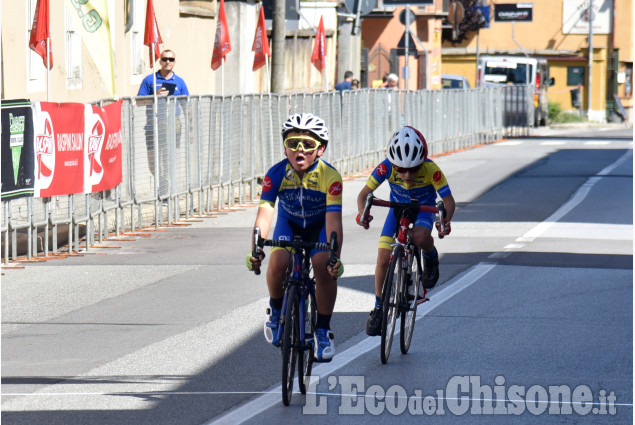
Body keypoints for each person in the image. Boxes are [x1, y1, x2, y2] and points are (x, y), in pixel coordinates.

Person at [247, 113, 344, 362]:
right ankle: (276, 311)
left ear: (320, 149)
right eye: (292, 143)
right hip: (288, 224)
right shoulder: (275, 174)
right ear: (284, 147)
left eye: (308, 145)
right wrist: (256, 250)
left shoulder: (330, 177)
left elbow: (333, 222)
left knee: (323, 267)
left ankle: (322, 330)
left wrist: (335, 257)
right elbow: (265, 215)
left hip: (318, 227)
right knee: (278, 264)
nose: (299, 150)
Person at [355, 125, 455, 336]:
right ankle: (379, 307)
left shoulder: (432, 170)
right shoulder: (385, 168)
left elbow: (448, 200)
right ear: (393, 164)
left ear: (422, 163)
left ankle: (431, 256)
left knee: (419, 236)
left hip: (423, 210)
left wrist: (445, 221)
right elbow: (363, 194)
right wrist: (361, 213)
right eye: (401, 169)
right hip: (397, 209)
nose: (407, 175)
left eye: (414, 169)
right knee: (383, 258)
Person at [137, 50, 189, 196]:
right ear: (160, 61)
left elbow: (186, 105)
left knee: (167, 157)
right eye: (165, 59)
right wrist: (156, 95)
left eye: (171, 59)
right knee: (152, 161)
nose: (168, 62)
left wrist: (190, 128)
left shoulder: (179, 82)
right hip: (152, 125)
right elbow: (139, 102)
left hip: (172, 124)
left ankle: (166, 190)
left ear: (174, 62)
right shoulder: (150, 80)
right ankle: (162, 181)